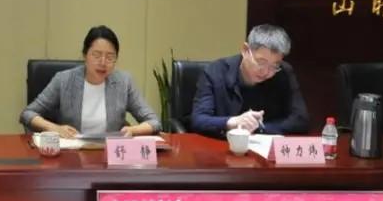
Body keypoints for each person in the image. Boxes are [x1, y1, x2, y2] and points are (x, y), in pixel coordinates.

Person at [20, 25, 161, 137]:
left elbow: (153, 122)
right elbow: (28, 114)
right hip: (71, 154)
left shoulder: (124, 82)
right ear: (85, 55)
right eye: (96, 55)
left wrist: (132, 130)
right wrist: (55, 128)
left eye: (110, 57)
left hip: (109, 154)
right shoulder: (64, 80)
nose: (103, 62)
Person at [190, 23, 308, 138]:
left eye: (274, 66)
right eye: (261, 62)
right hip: (222, 144)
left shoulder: (284, 73)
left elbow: (300, 119)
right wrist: (233, 122)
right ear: (245, 50)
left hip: (264, 146)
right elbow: (198, 120)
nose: (266, 72)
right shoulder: (215, 71)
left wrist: (259, 128)